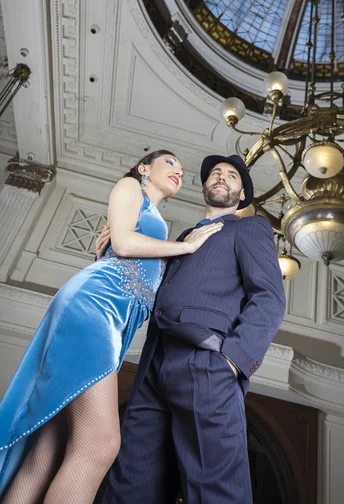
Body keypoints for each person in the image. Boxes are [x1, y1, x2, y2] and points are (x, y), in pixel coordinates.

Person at [0, 150, 222, 504]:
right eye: (170, 163)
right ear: (144, 167)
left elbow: (126, 252)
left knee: (47, 450)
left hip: (111, 321)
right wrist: (186, 246)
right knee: (101, 444)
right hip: (95, 309)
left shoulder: (151, 222)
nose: (179, 171)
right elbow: (122, 243)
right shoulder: (129, 186)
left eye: (182, 170)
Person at [98, 154, 286, 504]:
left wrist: (233, 360)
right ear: (204, 186)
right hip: (153, 365)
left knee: (216, 488)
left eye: (231, 176)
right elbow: (151, 293)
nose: (221, 177)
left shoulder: (249, 228)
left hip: (207, 362)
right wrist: (113, 254)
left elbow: (270, 299)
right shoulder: (181, 238)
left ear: (241, 194)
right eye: (215, 173)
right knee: (130, 483)